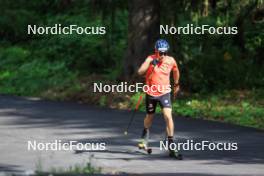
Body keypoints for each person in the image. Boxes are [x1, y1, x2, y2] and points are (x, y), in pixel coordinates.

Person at [137, 39, 180, 157]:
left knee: (168, 116)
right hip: (151, 93)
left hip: (165, 93)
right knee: (149, 117)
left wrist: (176, 84)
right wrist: (151, 64)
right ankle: (144, 134)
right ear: (156, 51)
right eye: (161, 53)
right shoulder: (150, 58)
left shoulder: (170, 60)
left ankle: (171, 143)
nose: (163, 55)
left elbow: (176, 71)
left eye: (165, 53)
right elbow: (140, 71)